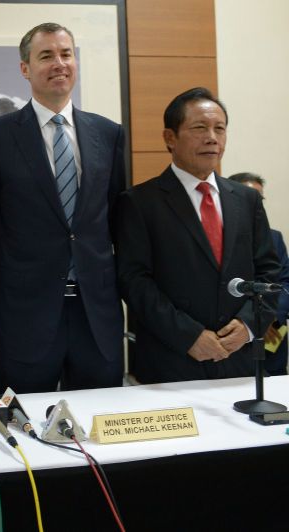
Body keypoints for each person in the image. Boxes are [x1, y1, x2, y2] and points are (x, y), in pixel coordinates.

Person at [0, 23, 125, 392]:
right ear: (25, 68)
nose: (59, 63)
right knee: (27, 428)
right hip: (25, 318)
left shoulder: (109, 134)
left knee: (101, 425)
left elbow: (116, 222)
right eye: (46, 56)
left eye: (66, 54)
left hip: (95, 316)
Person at [115, 88, 280, 383]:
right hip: (171, 362)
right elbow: (134, 281)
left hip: (238, 360)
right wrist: (189, 336)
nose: (212, 138)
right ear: (170, 137)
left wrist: (248, 325)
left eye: (220, 129)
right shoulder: (139, 202)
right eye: (199, 128)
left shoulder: (246, 200)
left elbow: (269, 273)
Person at [228, 172, 289, 375]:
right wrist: (249, 321)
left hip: (272, 337)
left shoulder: (275, 237)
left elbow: (284, 283)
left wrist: (268, 317)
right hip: (232, 331)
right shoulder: (219, 238)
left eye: (259, 199)